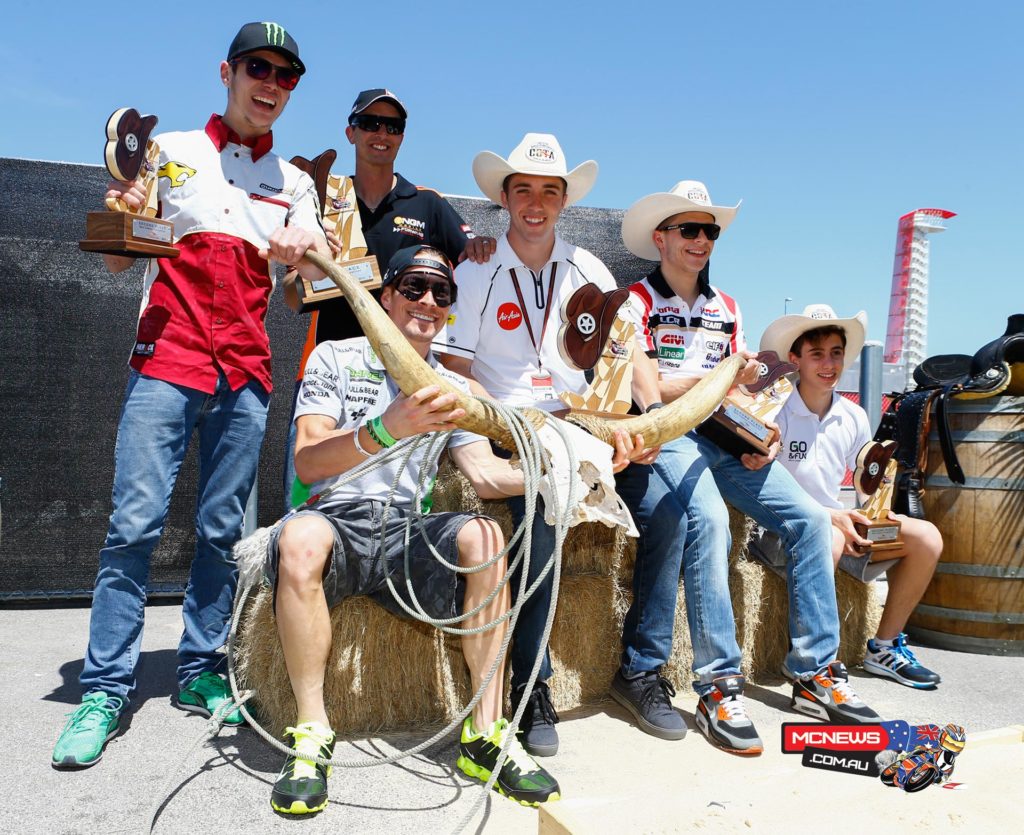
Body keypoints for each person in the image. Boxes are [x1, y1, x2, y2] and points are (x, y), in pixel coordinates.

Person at [51, 21, 327, 770]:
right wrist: (121, 210)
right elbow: (115, 266)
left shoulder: (296, 183)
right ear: (227, 71)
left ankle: (201, 667)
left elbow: (314, 279)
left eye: (286, 74)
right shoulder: (170, 152)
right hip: (165, 363)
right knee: (132, 528)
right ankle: (105, 688)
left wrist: (310, 253)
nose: (271, 82)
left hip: (245, 374)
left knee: (222, 537)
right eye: (257, 67)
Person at [268, 245, 571, 814]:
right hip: (334, 520)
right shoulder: (337, 356)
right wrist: (386, 429)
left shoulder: (451, 387)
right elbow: (307, 463)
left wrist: (567, 464)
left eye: (442, 294)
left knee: (484, 536)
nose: (428, 301)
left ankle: (485, 736)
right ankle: (311, 734)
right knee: (300, 539)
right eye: (413, 288)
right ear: (387, 297)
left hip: (407, 530)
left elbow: (483, 475)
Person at [613, 181, 882, 756]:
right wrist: (714, 379)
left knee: (812, 519)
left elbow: (739, 394)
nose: (701, 239)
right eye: (689, 229)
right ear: (661, 238)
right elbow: (645, 389)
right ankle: (717, 683)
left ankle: (814, 671)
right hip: (669, 434)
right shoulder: (633, 302)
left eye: (709, 231)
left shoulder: (728, 307)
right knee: (708, 520)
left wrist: (760, 432)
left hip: (722, 436)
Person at [437, 133, 660, 757]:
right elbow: (454, 365)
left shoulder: (591, 269)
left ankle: (645, 670)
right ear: (505, 197)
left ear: (565, 200)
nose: (536, 203)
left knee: (668, 502)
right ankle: (529, 686)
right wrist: (486, 432)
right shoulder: (475, 266)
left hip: (576, 421)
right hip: (502, 421)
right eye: (524, 190)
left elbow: (625, 356)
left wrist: (641, 422)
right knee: (539, 520)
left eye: (549, 192)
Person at [282, 88, 496, 507]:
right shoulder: (323, 195)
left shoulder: (427, 203)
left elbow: (472, 262)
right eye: (370, 123)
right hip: (334, 371)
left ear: (402, 137)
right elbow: (292, 296)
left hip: (403, 381)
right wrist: (311, 265)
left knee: (396, 507)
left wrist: (484, 246)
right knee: (305, 507)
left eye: (392, 126)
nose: (381, 133)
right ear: (350, 132)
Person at [753, 304, 942, 688]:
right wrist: (832, 517)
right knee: (831, 531)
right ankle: (815, 664)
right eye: (817, 354)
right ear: (795, 360)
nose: (829, 364)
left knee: (926, 537)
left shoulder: (853, 415)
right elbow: (761, 490)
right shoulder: (774, 410)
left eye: (836, 353)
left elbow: (863, 483)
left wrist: (871, 517)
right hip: (779, 534)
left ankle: (883, 646)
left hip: (839, 530)